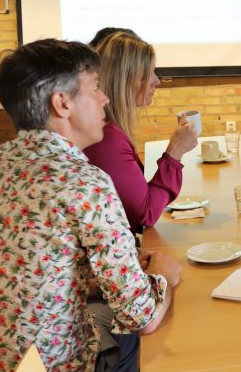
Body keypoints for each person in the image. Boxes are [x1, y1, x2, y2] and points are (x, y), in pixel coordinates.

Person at [0, 38, 182, 372]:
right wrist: (162, 277)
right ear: (61, 103)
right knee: (127, 336)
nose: (105, 99)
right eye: (95, 88)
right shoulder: (85, 183)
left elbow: (19, 268)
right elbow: (141, 316)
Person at [84, 33, 198, 233]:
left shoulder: (108, 129)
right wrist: (175, 152)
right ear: (122, 80)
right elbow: (145, 214)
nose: (157, 81)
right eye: (147, 74)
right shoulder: (106, 138)